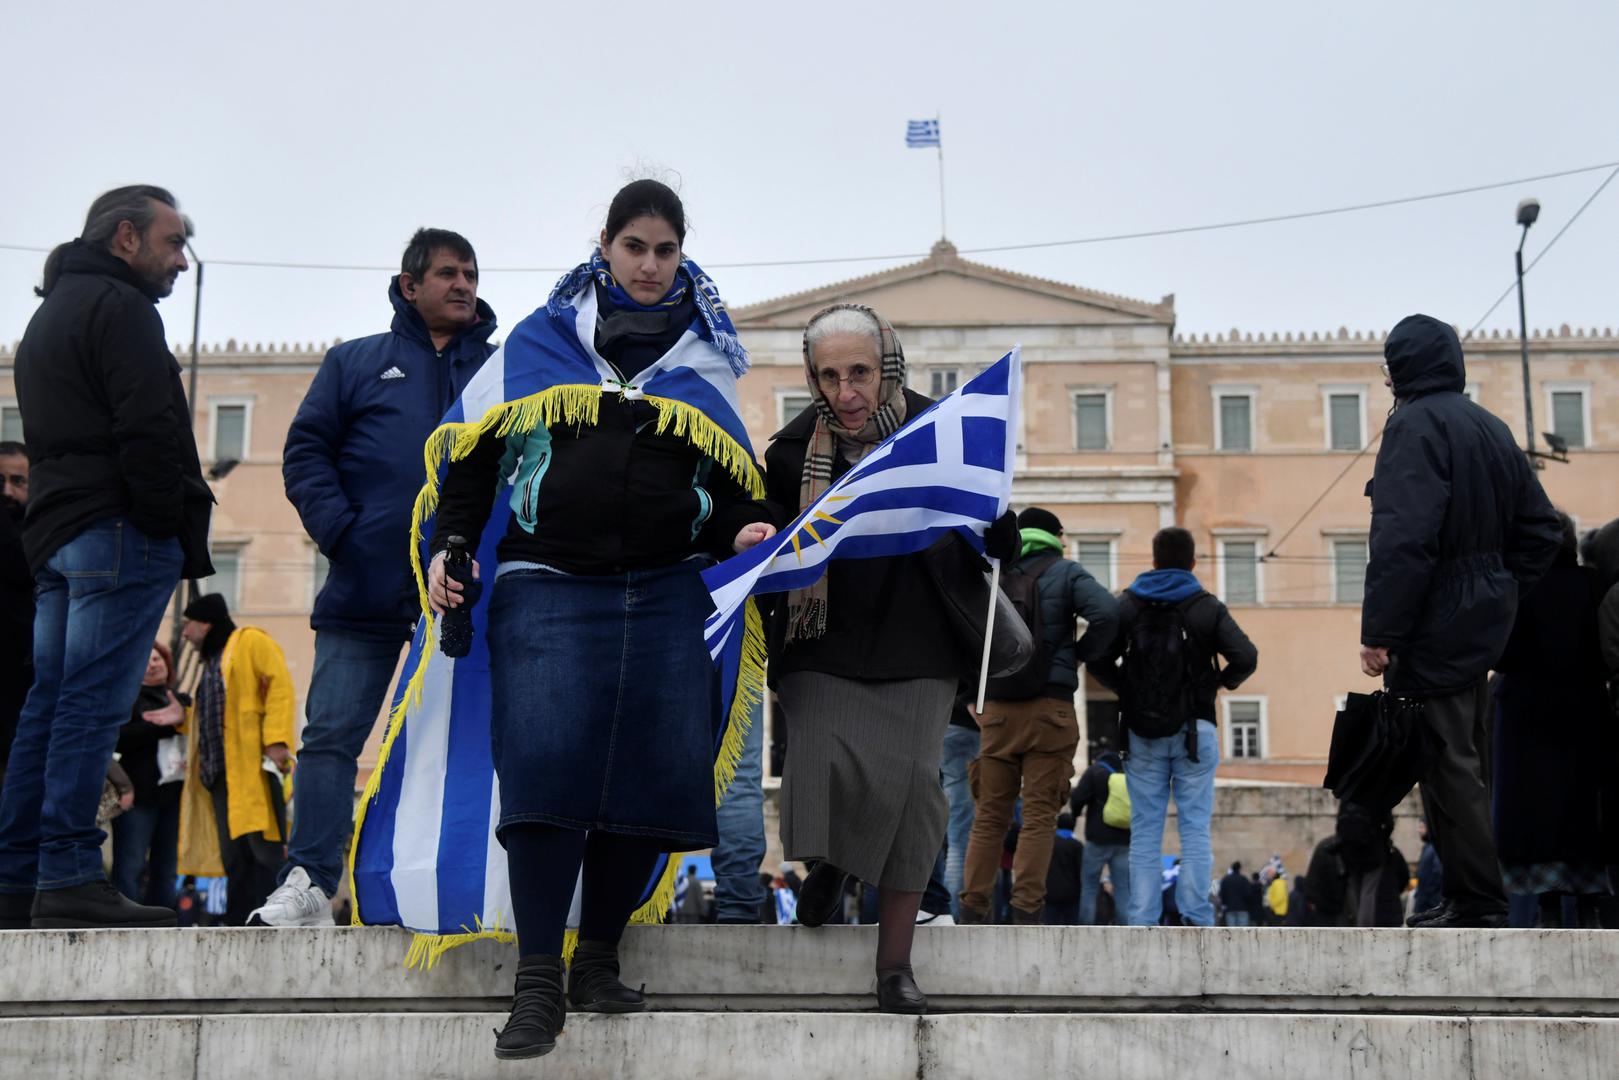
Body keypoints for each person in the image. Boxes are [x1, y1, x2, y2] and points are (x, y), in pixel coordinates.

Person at [423, 180, 776, 1059]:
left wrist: (746, 529)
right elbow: (474, 458)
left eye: (665, 250)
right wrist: (451, 542)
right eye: (634, 247)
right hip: (547, 583)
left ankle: (598, 959)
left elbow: (732, 485)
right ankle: (538, 981)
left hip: (666, 590)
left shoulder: (705, 359)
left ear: (681, 255)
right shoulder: (539, 342)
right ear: (605, 248)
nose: (650, 266)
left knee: (647, 779)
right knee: (544, 773)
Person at [764, 302, 1017, 1014]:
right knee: (822, 767)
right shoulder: (789, 454)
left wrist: (999, 531)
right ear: (812, 377)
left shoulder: (939, 432)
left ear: (888, 368)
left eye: (860, 373)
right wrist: (753, 534)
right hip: (820, 639)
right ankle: (835, 860)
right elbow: (770, 536)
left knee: (910, 793)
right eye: (829, 376)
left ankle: (894, 967)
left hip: (918, 636)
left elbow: (980, 520)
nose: (845, 391)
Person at [261, 229, 498, 925]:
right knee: (331, 737)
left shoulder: (501, 370)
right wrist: (346, 533)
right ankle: (309, 883)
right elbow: (306, 453)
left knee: (466, 742)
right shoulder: (355, 362)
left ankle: (472, 889)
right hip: (363, 586)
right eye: (448, 273)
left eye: (471, 274)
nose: (463, 285)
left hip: (466, 593)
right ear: (408, 285)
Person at [0, 186, 212, 931]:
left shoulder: (49, 314)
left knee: (50, 705)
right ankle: (66, 874)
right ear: (126, 237)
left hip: (60, 533)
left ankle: (17, 878)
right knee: (89, 708)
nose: (181, 260)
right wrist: (158, 519)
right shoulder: (123, 309)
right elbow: (147, 426)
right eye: (172, 242)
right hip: (117, 529)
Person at [1359, 314, 1562, 930]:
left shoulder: (1413, 426)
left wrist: (1381, 632)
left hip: (1433, 619)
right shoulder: (1490, 426)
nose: (1387, 379)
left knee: (1446, 763)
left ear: (1404, 369)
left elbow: (1403, 538)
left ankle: (1478, 902)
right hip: (1479, 621)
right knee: (1464, 758)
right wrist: (1499, 589)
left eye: (1390, 367)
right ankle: (1467, 898)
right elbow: (1543, 530)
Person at [1092, 526, 1258, 927]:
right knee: (1195, 828)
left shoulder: (1128, 605)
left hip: (1141, 733)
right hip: (1195, 731)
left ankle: (1143, 919)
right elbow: (1246, 656)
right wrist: (1216, 685)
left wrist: (1126, 691)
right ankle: (1196, 916)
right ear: (1193, 562)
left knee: (1145, 831)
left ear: (1153, 561)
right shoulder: (1206, 607)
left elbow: (1097, 658)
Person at [960, 507, 1117, 924]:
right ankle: (1027, 911)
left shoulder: (993, 573)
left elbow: (963, 631)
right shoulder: (1067, 573)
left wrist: (972, 693)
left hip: (998, 712)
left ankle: (972, 908)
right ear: (1055, 537)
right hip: (1051, 710)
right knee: (1039, 817)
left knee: (989, 817)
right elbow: (1107, 613)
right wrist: (1077, 657)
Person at [1492, 512, 1611, 929]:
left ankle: (1546, 904)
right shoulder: (1594, 584)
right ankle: (1591, 901)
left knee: (1534, 807)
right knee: (1584, 803)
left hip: (1527, 715)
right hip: (1585, 708)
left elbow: (1500, 652)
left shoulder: (1518, 586)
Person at [174, 594, 296, 927]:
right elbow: (212, 717)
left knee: (263, 847)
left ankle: (271, 915)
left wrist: (276, 740)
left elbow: (279, 687)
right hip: (219, 776)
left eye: (188, 624)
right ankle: (239, 920)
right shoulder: (213, 663)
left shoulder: (250, 641)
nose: (184, 633)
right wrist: (181, 718)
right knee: (234, 854)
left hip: (250, 770)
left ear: (205, 624)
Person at [110, 642, 187, 908]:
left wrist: (180, 719)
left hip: (174, 796)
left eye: (157, 659)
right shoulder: (126, 699)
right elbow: (118, 739)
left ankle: (164, 919)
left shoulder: (180, 700)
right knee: (129, 865)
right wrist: (163, 726)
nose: (153, 664)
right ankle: (125, 920)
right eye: (146, 660)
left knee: (167, 868)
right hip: (137, 795)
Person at [0, 440, 33, 791]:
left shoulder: (40, 530)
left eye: (17, 481)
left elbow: (19, 566)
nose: (7, 492)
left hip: (21, 685)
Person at [1070, 746, 1133, 925]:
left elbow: (1077, 798)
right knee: (1122, 888)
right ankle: (1126, 928)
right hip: (1123, 840)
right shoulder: (1126, 773)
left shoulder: (1095, 772)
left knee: (1089, 886)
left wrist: (1074, 815)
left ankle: (1086, 928)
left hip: (1097, 839)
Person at [939, 689, 980, 919]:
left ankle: (932, 906)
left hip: (939, 726)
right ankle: (951, 913)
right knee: (959, 835)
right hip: (967, 728)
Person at [1043, 812, 1083, 924]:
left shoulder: (1049, 843)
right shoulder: (1076, 845)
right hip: (1071, 895)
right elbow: (1080, 871)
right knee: (1072, 927)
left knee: (1050, 926)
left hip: (1050, 893)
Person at [1219, 862, 1251, 927]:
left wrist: (1225, 903)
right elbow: (1249, 894)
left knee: (1231, 931)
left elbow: (1222, 894)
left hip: (1230, 909)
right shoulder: (1244, 879)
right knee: (1243, 931)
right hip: (1242, 909)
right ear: (1240, 868)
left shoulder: (1226, 879)